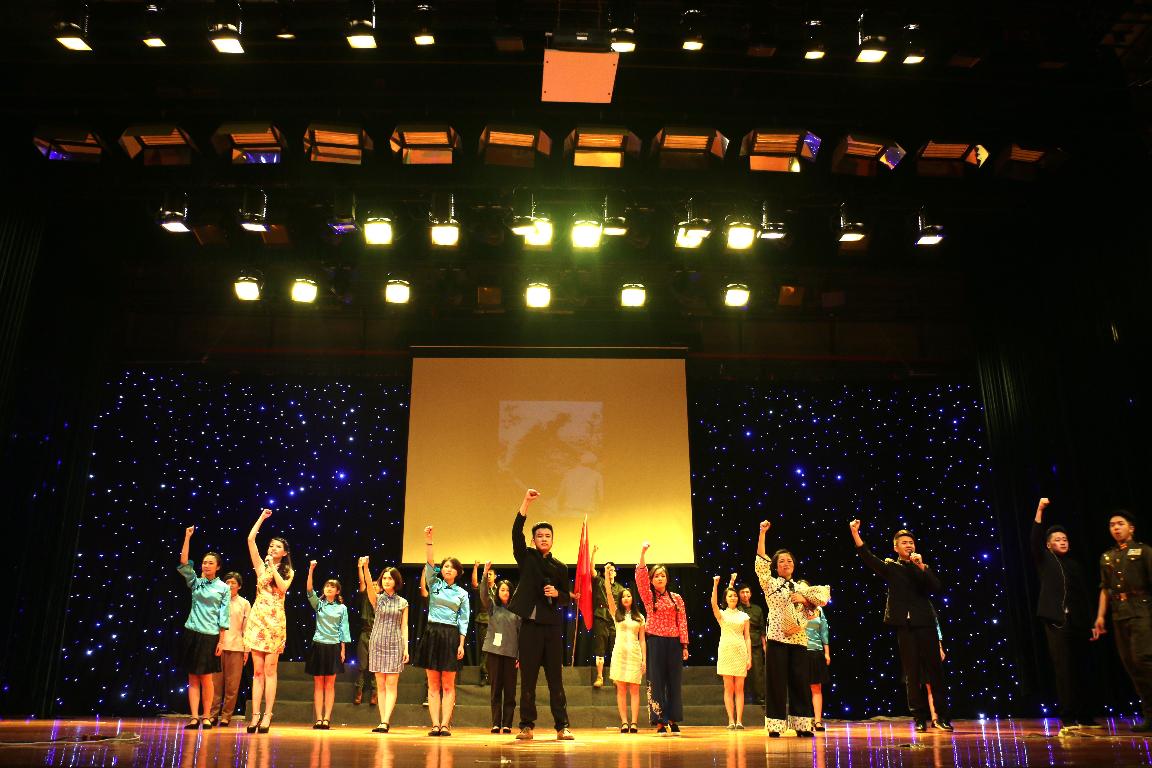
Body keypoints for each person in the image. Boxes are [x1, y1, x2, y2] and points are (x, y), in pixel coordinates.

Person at [848, 518, 951, 732]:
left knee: (935, 671)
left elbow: (936, 587)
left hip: (925, 624)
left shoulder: (922, 567)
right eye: (904, 542)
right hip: (905, 626)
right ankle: (919, 718)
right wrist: (855, 533)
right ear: (896, 547)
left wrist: (921, 566)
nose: (909, 545)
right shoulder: (892, 568)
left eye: (911, 542)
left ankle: (941, 717)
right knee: (912, 673)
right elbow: (868, 557)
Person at [509, 488, 574, 741]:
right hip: (530, 627)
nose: (543, 539)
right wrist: (526, 502)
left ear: (553, 540)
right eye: (539, 536)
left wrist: (558, 593)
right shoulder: (526, 557)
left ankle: (562, 726)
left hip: (552, 627)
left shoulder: (561, 567)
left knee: (555, 680)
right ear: (533, 539)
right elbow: (516, 532)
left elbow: (567, 597)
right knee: (528, 679)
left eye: (547, 536)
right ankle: (526, 726)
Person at [755, 520, 830, 737]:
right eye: (781, 561)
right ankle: (775, 726)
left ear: (794, 565)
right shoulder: (770, 583)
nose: (786, 563)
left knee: (800, 682)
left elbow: (815, 611)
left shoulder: (801, 588)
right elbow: (760, 561)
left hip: (798, 639)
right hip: (777, 637)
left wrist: (804, 600)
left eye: (789, 561)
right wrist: (762, 533)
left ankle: (802, 725)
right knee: (776, 683)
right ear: (775, 566)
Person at [1030, 497, 1096, 728]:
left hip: (1078, 621)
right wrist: (1040, 509)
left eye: (1065, 539)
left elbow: (1085, 596)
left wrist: (1092, 623)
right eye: (1057, 539)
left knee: (1082, 668)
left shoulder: (1074, 565)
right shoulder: (1045, 560)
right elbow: (1035, 537)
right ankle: (1068, 717)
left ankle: (1085, 715)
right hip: (1056, 621)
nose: (1062, 542)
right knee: (1064, 669)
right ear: (1049, 545)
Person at [1094, 509, 1152, 732]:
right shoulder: (1107, 556)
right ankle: (1149, 715)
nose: (1116, 528)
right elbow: (1105, 589)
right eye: (1112, 525)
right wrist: (1100, 616)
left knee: (1143, 660)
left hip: (1142, 611)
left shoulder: (1143, 551)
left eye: (1120, 523)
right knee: (1131, 665)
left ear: (1131, 528)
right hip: (1119, 614)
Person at [413, 525, 469, 736]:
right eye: (445, 566)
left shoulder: (462, 593)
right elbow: (429, 562)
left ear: (458, 572)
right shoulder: (434, 584)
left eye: (452, 567)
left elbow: (464, 620)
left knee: (448, 684)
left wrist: (461, 643)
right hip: (432, 633)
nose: (448, 569)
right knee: (433, 683)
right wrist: (429, 541)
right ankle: (435, 724)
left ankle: (445, 724)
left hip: (451, 635)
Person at [242, 508, 294, 734]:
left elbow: (283, 588)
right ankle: (254, 715)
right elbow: (250, 540)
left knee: (271, 670)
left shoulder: (288, 571)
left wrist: (273, 567)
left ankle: (267, 714)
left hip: (275, 623)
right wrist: (261, 518)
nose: (272, 548)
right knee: (258, 671)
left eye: (277, 547)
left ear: (285, 552)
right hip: (258, 621)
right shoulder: (260, 568)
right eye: (271, 545)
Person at [176, 526, 230, 729]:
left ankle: (207, 716)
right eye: (204, 562)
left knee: (207, 678)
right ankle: (193, 717)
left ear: (218, 567)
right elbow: (184, 562)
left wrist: (221, 641)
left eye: (210, 563)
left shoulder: (223, 588)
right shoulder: (196, 582)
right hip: (192, 632)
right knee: (192, 677)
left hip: (210, 635)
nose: (206, 565)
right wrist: (187, 537)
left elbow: (223, 615)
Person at [636, 540, 689, 735]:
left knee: (674, 681)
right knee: (656, 681)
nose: (660, 578)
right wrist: (643, 553)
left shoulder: (677, 598)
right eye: (656, 575)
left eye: (662, 575)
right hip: (655, 642)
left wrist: (684, 645)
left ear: (667, 578)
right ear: (651, 580)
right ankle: (659, 721)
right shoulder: (649, 597)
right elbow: (640, 578)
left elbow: (682, 621)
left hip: (674, 643)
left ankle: (673, 719)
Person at [363, 558, 409, 734]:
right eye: (384, 578)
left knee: (391, 683)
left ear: (396, 581)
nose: (386, 581)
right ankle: (382, 720)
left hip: (395, 643)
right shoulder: (377, 599)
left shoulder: (403, 602)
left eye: (390, 578)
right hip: (377, 642)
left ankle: (385, 720)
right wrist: (365, 567)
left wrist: (406, 648)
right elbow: (369, 584)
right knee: (380, 684)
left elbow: (404, 626)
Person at [304, 560, 350, 730]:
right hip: (318, 645)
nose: (329, 588)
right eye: (327, 586)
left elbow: (344, 629)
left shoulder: (342, 608)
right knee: (318, 684)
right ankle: (318, 718)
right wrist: (311, 570)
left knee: (330, 684)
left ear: (337, 591)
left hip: (333, 646)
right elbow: (309, 590)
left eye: (332, 587)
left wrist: (343, 649)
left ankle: (327, 718)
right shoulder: (319, 605)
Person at [479, 562, 520, 733]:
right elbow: (483, 594)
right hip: (494, 653)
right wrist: (485, 575)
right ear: (498, 592)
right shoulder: (492, 608)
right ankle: (496, 723)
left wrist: (520, 656)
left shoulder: (517, 611)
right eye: (502, 590)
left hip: (511, 655)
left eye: (508, 590)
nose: (505, 592)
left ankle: (507, 724)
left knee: (510, 691)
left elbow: (522, 635)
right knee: (495, 689)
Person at [604, 578, 646, 733]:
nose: (626, 598)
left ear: (632, 598)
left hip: (635, 654)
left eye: (628, 596)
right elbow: (609, 594)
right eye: (623, 596)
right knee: (621, 689)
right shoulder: (616, 614)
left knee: (635, 689)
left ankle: (634, 722)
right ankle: (624, 722)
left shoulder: (640, 617)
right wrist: (607, 576)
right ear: (620, 600)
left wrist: (644, 659)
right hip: (620, 654)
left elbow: (642, 640)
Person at [209, 571, 250, 727]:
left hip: (236, 647)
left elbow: (247, 628)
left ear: (239, 586)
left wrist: (246, 650)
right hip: (217, 647)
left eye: (233, 583)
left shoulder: (244, 603)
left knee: (232, 685)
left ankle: (226, 716)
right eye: (227, 582)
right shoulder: (217, 600)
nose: (230, 585)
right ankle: (212, 715)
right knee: (215, 684)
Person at [711, 575, 751, 729]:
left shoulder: (744, 616)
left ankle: (739, 720)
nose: (733, 597)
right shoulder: (722, 614)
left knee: (739, 688)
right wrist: (715, 584)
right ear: (726, 599)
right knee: (728, 688)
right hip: (726, 651)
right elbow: (713, 603)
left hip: (740, 651)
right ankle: (730, 720)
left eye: (735, 595)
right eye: (730, 595)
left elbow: (747, 637)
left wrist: (749, 657)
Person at [591, 547, 624, 689]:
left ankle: (615, 676)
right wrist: (593, 553)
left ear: (615, 573)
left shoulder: (620, 588)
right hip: (601, 617)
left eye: (612, 570)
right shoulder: (599, 581)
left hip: (615, 620)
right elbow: (591, 570)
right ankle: (599, 677)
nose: (610, 572)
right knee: (600, 647)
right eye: (608, 569)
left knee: (615, 648)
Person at [734, 579, 766, 706]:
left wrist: (765, 646)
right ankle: (742, 698)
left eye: (747, 592)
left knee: (757, 672)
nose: (745, 594)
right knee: (741, 672)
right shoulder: (736, 609)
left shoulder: (757, 609)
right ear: (739, 594)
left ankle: (760, 698)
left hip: (756, 644)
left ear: (751, 594)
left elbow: (762, 629)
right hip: (739, 643)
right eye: (742, 592)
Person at [353, 557, 378, 707]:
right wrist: (360, 567)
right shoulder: (364, 598)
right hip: (365, 633)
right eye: (372, 585)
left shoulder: (381, 600)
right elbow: (363, 582)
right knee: (362, 665)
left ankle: (374, 692)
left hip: (377, 634)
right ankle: (359, 691)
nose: (373, 587)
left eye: (376, 585)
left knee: (375, 665)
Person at [471, 560, 498, 686]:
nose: (489, 576)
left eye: (490, 574)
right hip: (484, 621)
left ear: (495, 576)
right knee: (485, 649)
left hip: (498, 623)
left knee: (497, 649)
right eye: (487, 574)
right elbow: (474, 583)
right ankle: (484, 674)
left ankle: (495, 675)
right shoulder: (483, 588)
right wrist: (476, 567)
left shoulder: (500, 589)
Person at [805, 605, 830, 732]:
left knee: (816, 687)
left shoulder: (819, 609)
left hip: (816, 650)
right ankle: (803, 721)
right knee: (801, 688)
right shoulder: (795, 607)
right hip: (799, 649)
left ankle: (818, 721)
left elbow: (824, 631)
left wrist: (827, 652)